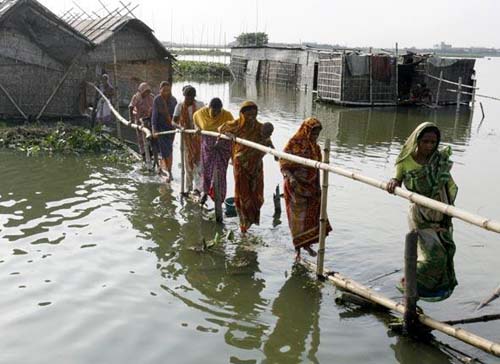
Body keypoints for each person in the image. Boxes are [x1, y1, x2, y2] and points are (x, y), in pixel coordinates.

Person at [387, 122, 458, 301]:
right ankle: (407, 285)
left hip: (439, 212)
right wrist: (393, 182)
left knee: (442, 255)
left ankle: (415, 296)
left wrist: (445, 218)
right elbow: (397, 178)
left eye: (433, 142)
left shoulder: (439, 160)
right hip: (419, 215)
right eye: (425, 141)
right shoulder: (405, 159)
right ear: (417, 140)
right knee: (433, 257)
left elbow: (447, 187)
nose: (429, 146)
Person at [280, 117, 332, 261]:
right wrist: (291, 178)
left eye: (317, 134)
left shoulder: (315, 147)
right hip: (295, 187)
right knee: (297, 221)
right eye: (313, 133)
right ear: (306, 130)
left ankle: (307, 244)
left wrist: (318, 186)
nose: (315, 137)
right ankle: (298, 249)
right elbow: (283, 163)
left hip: (311, 187)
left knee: (313, 216)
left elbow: (317, 169)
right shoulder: (294, 143)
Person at [219, 101, 270, 233]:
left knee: (257, 197)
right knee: (242, 196)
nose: (251, 118)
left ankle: (250, 222)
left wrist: (276, 155)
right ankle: (243, 226)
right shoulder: (236, 124)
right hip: (241, 166)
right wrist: (231, 136)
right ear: (242, 114)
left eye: (254, 115)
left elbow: (268, 140)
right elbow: (221, 128)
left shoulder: (260, 127)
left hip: (256, 166)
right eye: (248, 115)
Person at [193, 98, 234, 206]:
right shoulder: (201, 113)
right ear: (209, 108)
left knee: (220, 173)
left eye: (218, 111)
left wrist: (229, 133)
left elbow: (233, 127)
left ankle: (218, 200)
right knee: (206, 171)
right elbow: (196, 121)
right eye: (214, 111)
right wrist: (197, 128)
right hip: (208, 147)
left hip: (222, 147)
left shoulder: (227, 115)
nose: (216, 114)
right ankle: (205, 192)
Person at [173, 86, 205, 194]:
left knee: (199, 163)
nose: (188, 100)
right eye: (187, 98)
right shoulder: (180, 106)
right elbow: (173, 122)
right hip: (186, 139)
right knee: (188, 164)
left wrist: (200, 127)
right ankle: (188, 187)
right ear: (184, 96)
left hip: (198, 138)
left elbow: (205, 119)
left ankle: (198, 189)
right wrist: (180, 127)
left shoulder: (200, 105)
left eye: (190, 98)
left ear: (194, 97)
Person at [151, 81, 177, 180]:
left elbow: (176, 116)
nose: (166, 92)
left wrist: (177, 126)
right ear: (160, 90)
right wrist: (154, 129)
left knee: (169, 150)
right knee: (164, 151)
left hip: (170, 129)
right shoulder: (157, 100)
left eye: (168, 90)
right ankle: (168, 171)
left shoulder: (173, 100)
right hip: (160, 128)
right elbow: (154, 115)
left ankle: (169, 170)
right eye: (164, 90)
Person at [129, 82, 154, 161]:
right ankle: (144, 154)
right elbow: (131, 107)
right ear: (141, 91)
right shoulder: (136, 97)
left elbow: (153, 108)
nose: (146, 93)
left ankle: (150, 153)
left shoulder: (151, 97)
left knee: (150, 136)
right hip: (139, 119)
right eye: (145, 91)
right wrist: (131, 119)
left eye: (147, 91)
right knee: (141, 138)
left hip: (148, 119)